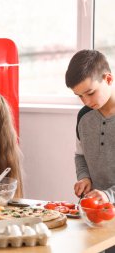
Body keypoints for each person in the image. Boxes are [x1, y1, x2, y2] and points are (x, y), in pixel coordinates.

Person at [65, 49, 115, 203]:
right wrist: (84, 177)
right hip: (93, 209)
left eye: (90, 93)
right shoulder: (84, 116)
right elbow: (80, 156)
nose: (85, 101)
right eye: (80, 96)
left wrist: (109, 195)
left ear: (108, 79)